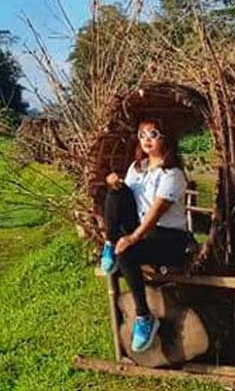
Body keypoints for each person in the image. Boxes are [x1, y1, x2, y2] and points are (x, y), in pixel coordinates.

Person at [98, 118, 194, 353]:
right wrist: (113, 185)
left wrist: (133, 237)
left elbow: (155, 212)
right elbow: (127, 202)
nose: (147, 140)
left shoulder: (173, 174)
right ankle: (110, 244)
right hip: (143, 233)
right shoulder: (136, 168)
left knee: (128, 250)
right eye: (142, 135)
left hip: (170, 238)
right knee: (115, 193)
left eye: (153, 134)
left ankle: (144, 317)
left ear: (165, 139)